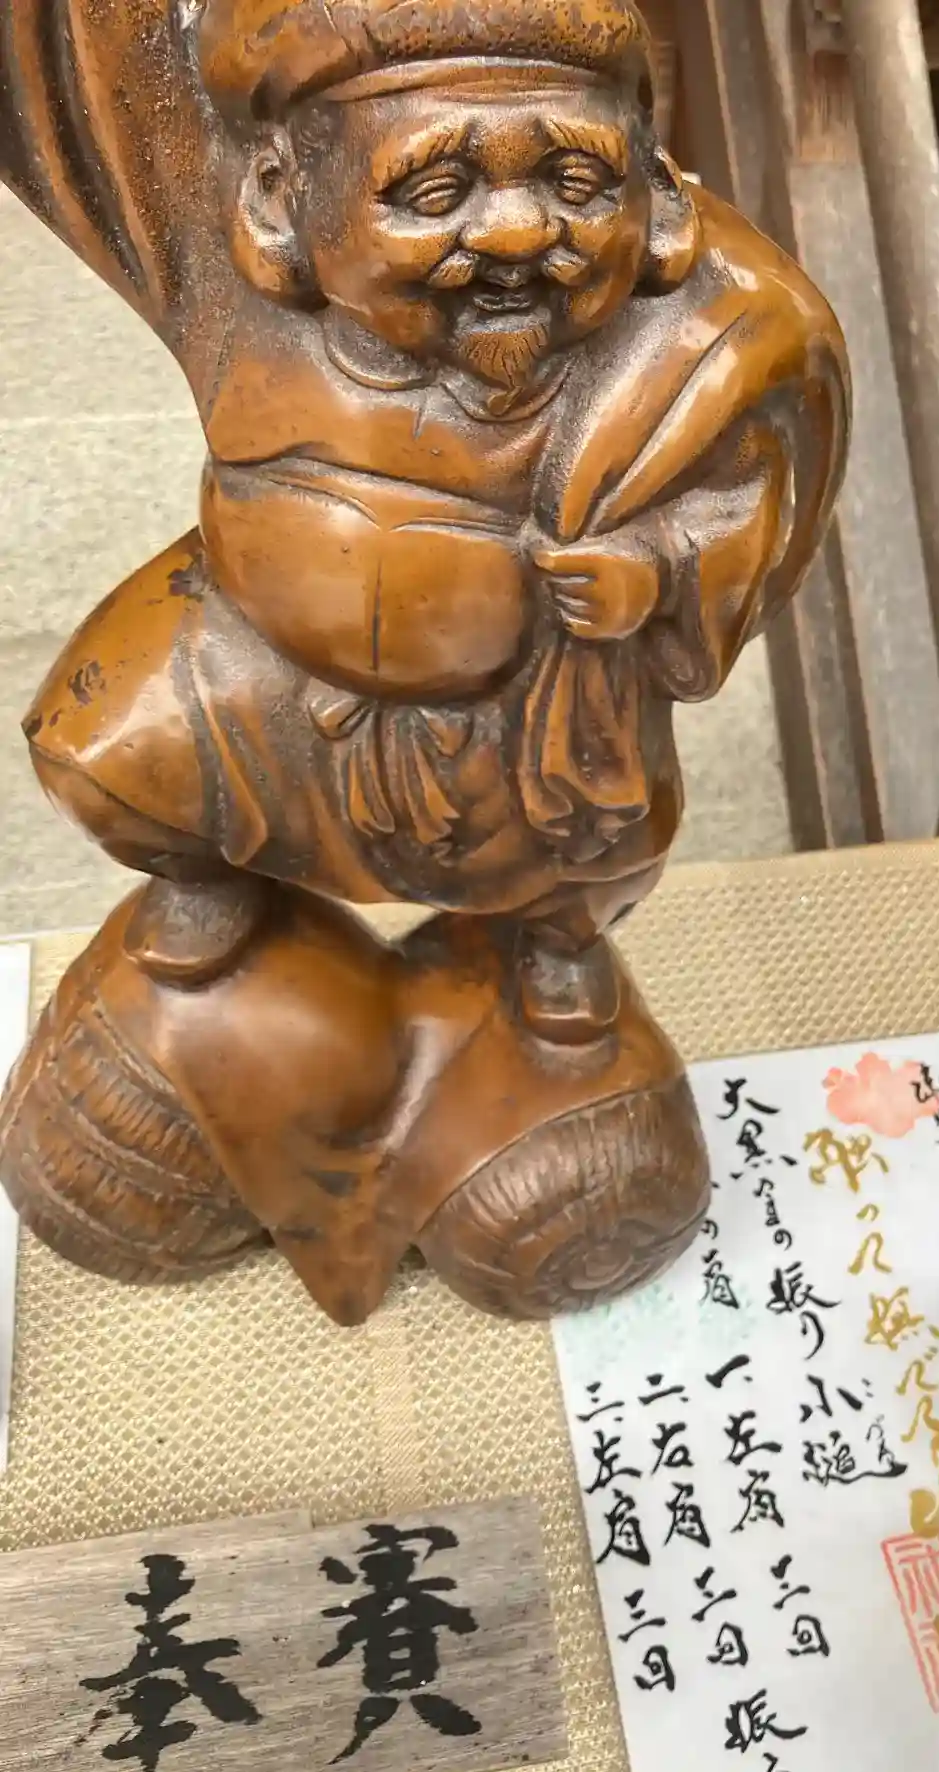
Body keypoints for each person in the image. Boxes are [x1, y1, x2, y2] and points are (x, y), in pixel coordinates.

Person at [2, 0, 848, 1041]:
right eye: (435, 190)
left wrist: (659, 569)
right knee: (95, 749)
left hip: (530, 723)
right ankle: (209, 877)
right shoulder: (222, 289)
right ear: (277, 202)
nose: (515, 234)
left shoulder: (703, 349)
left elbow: (751, 500)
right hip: (256, 684)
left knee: (597, 855)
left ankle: (556, 947)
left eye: (575, 183)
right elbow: (93, 76)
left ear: (659, 195)